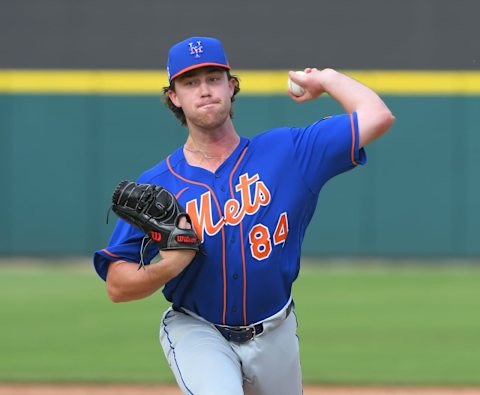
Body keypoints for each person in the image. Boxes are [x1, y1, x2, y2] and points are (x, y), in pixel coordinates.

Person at [93, 36, 394, 395]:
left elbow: (377, 117)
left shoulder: (289, 152)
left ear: (231, 86)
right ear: (174, 96)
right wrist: (171, 266)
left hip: (275, 332)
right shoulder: (157, 187)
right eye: (190, 82)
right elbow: (116, 284)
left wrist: (326, 78)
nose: (204, 90)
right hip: (196, 328)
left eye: (213, 78)